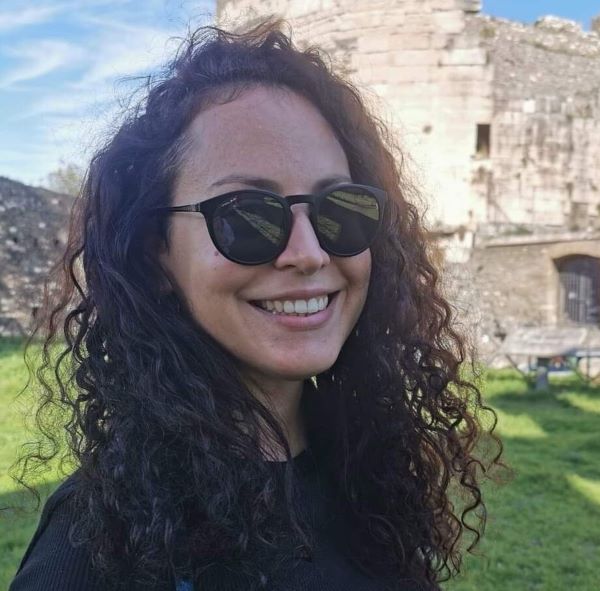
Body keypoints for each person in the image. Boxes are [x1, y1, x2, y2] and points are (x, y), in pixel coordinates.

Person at [8, 19, 506, 591]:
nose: (309, 253)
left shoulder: (370, 473)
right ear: (155, 254)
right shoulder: (96, 547)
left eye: (341, 210)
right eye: (247, 214)